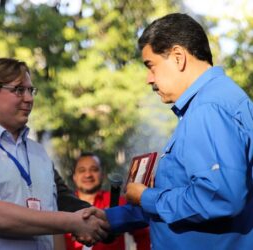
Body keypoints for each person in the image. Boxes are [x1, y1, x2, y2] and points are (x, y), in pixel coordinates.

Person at [104, 13, 253, 250]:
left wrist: (146, 197)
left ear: (178, 57)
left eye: (150, 65)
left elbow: (221, 198)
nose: (148, 79)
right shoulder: (215, 102)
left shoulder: (208, 109)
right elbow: (185, 200)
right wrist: (110, 219)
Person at [0, 58, 109, 250]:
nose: (29, 98)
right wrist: (73, 222)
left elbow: (52, 218)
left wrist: (91, 221)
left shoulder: (39, 152)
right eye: (19, 90)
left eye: (31, 90)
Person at [65, 153, 150, 250]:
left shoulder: (119, 202)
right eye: (82, 170)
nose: (88, 175)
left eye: (94, 170)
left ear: (102, 175)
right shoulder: (62, 205)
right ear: (74, 177)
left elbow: (143, 235)